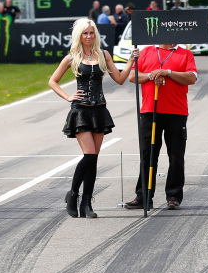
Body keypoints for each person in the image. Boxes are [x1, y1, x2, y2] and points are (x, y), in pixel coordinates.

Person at [47, 19, 138, 218]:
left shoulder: (104, 55)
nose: (88, 36)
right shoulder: (72, 57)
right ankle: (73, 194)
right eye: (85, 33)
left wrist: (131, 61)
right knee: (89, 155)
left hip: (99, 110)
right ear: (79, 35)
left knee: (94, 159)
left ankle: (87, 204)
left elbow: (120, 80)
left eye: (91, 33)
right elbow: (52, 81)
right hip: (81, 111)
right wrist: (68, 96)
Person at [127, 37, 199, 210]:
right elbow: (132, 76)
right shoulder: (146, 52)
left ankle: (173, 197)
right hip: (149, 111)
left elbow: (191, 77)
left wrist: (167, 72)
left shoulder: (185, 53)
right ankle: (144, 196)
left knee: (175, 155)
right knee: (148, 154)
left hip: (176, 112)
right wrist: (152, 75)